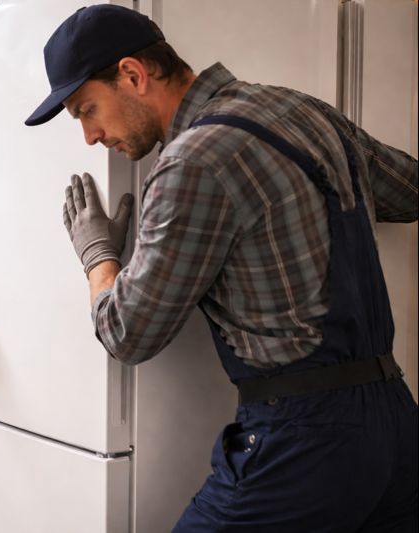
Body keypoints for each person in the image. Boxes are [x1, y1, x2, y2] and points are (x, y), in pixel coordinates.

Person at [26, 4, 417, 531]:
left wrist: (98, 254)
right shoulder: (306, 112)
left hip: (302, 440)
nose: (90, 137)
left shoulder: (192, 162)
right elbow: (410, 190)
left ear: (133, 75)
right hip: (395, 423)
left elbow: (127, 333)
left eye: (86, 110)